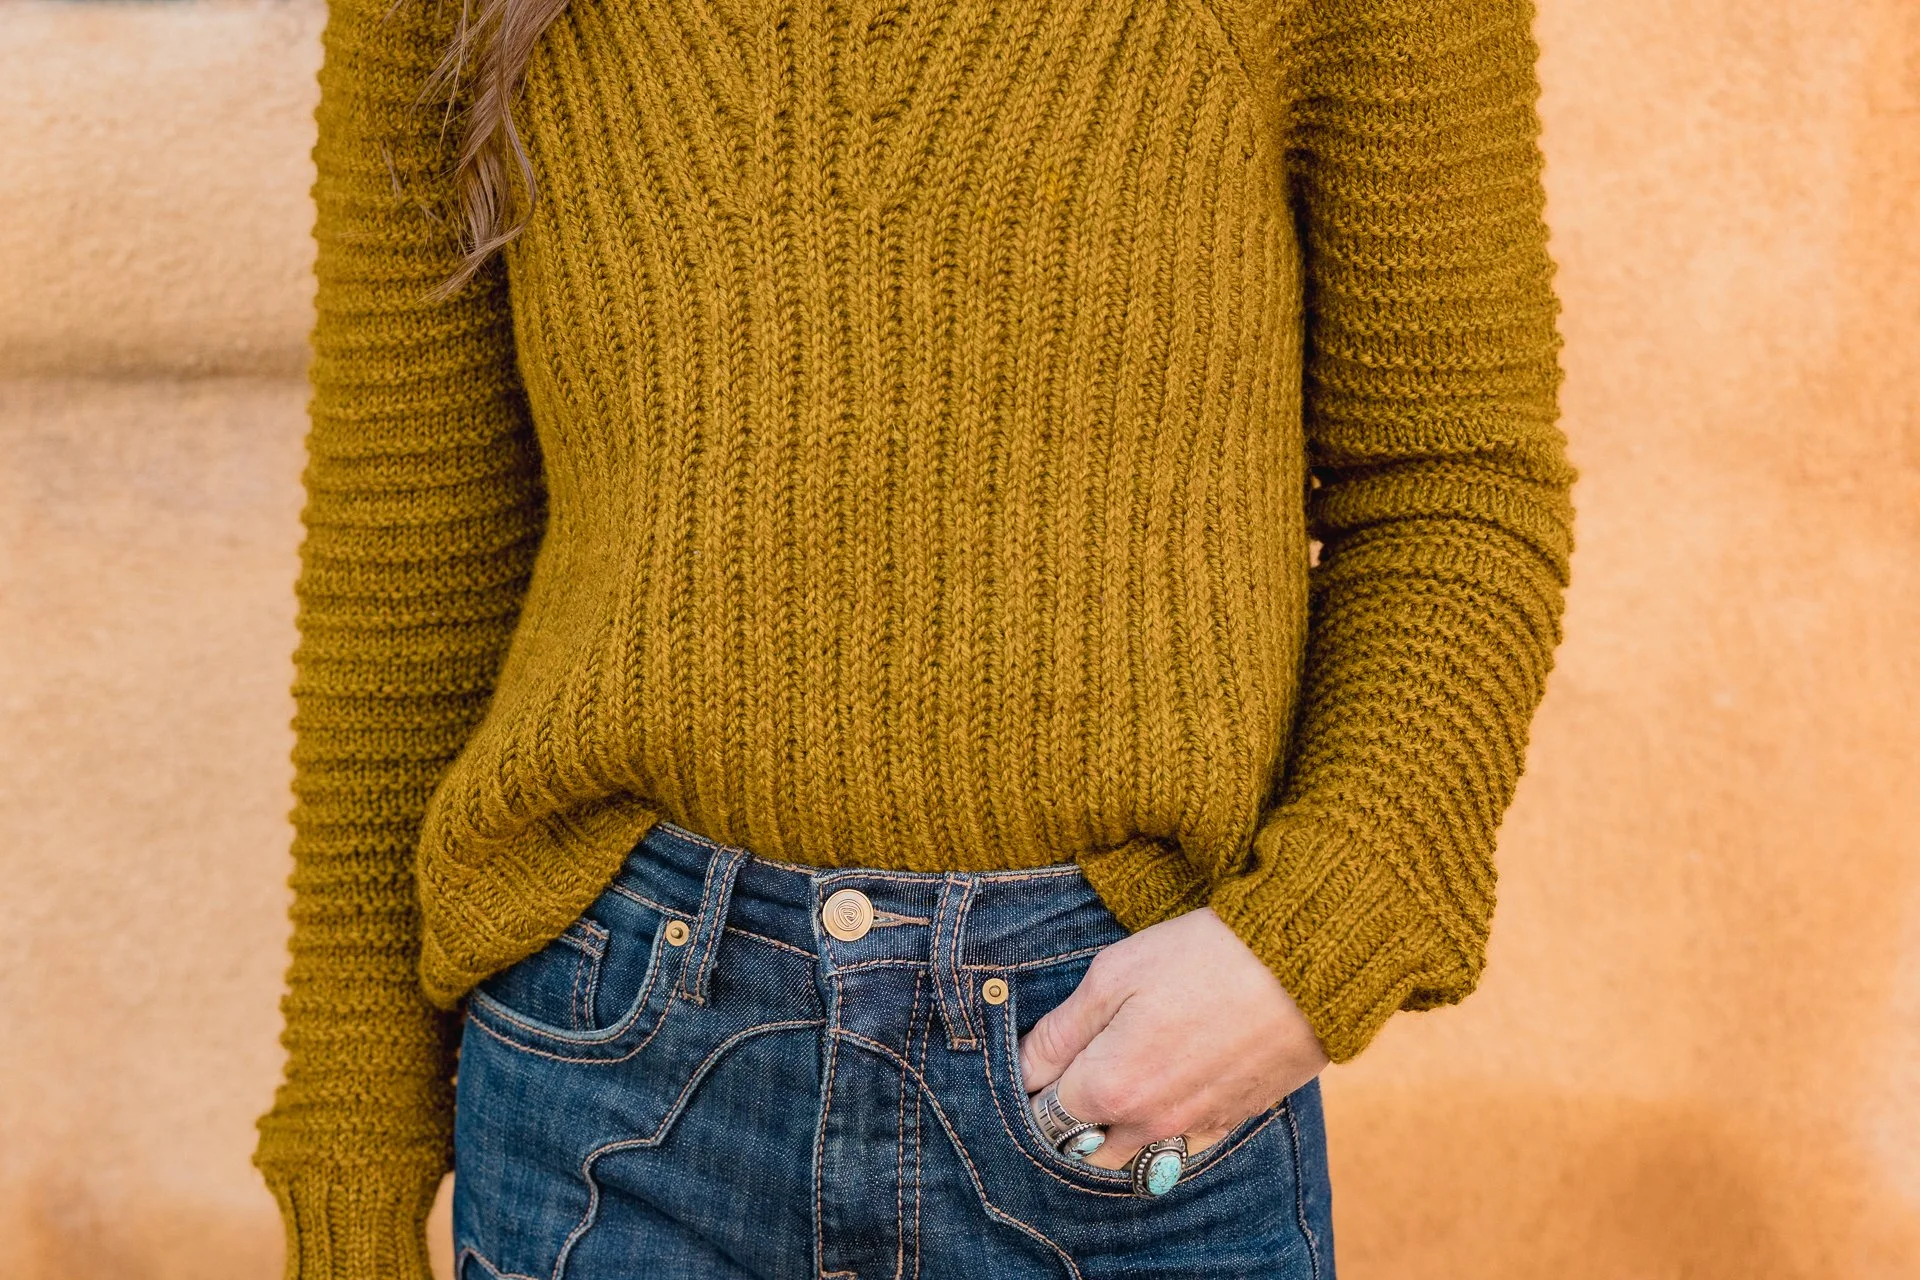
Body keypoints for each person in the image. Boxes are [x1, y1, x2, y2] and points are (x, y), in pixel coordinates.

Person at [251, 0, 1576, 1273]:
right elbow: (411, 561)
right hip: (611, 1085)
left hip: (1116, 1083)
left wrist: (1308, 951)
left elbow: (1451, 486)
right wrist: (352, 1170)